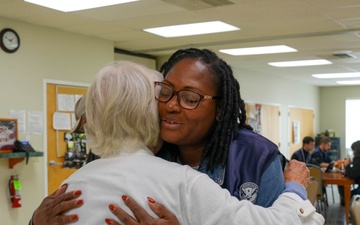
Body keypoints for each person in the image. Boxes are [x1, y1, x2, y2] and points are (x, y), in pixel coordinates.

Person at [29, 48, 300, 224]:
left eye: (190, 98)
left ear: (220, 109)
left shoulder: (256, 158)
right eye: (165, 92)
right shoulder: (172, 174)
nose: (171, 105)